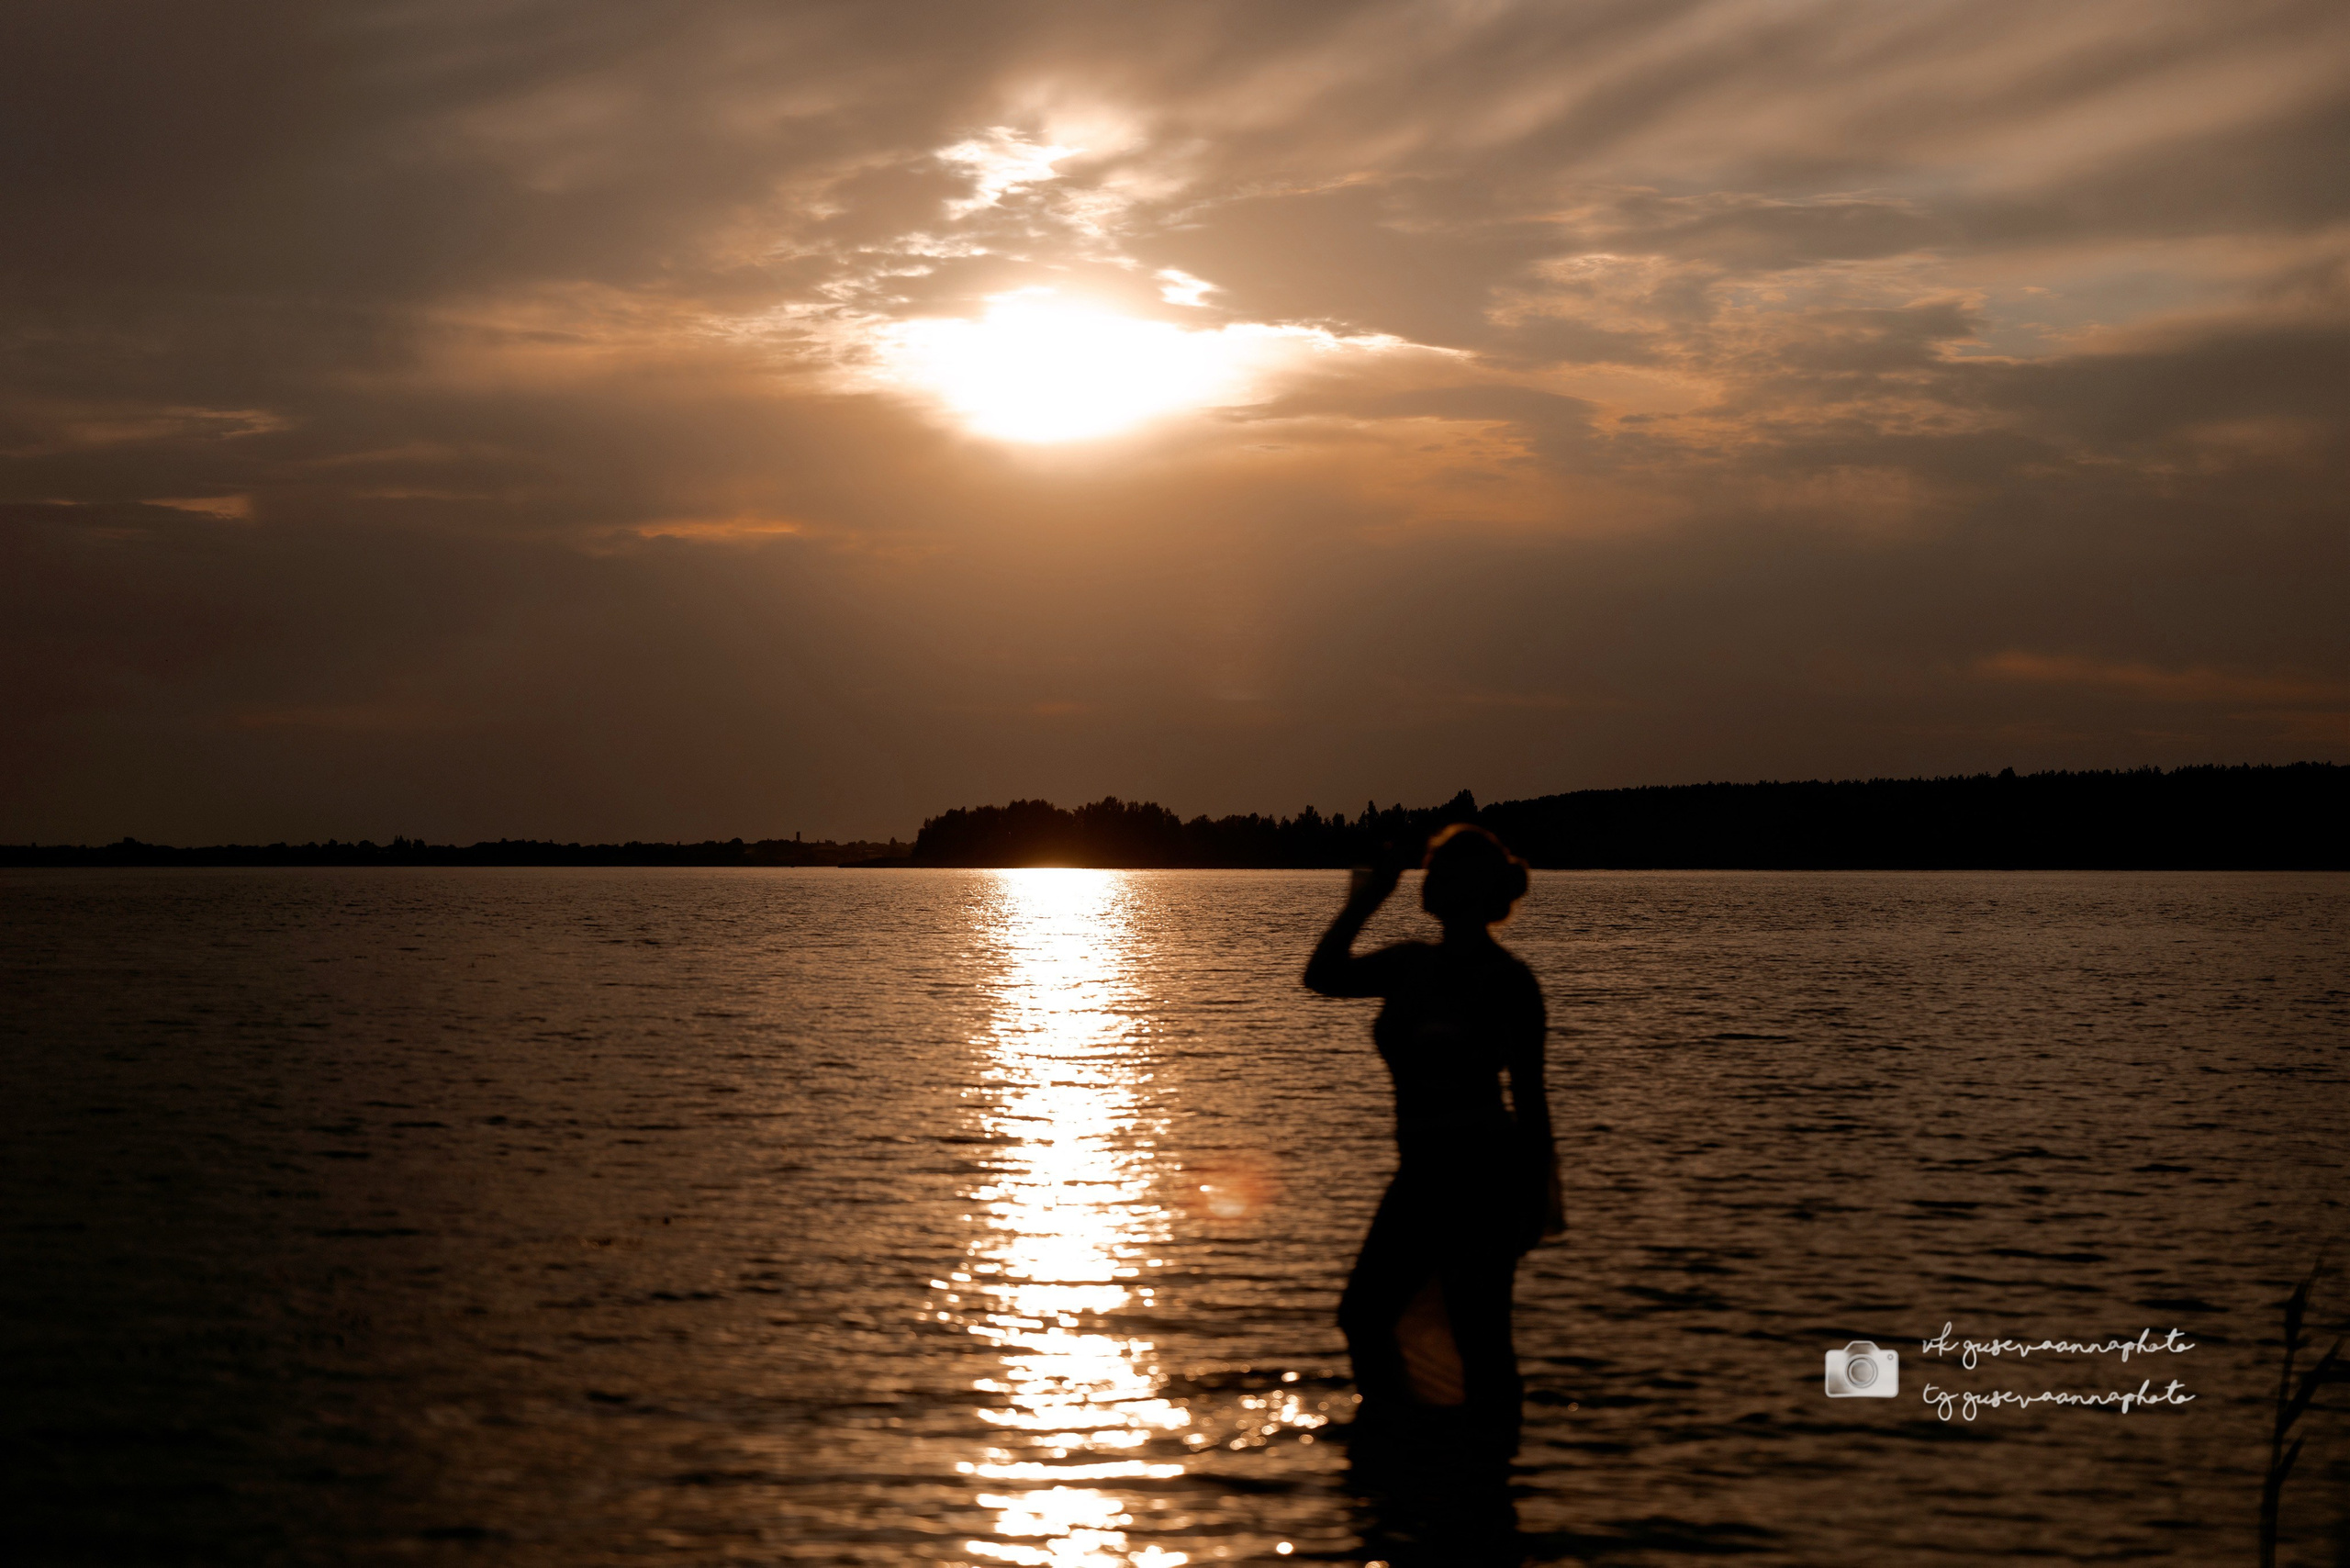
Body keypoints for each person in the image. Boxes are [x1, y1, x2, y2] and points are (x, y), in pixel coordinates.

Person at [1304, 823, 1563, 1473]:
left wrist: (1539, 1195)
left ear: (1475, 889)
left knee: (1482, 1334)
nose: (1430, 883)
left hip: (1483, 1173)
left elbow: (1531, 1099)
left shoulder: (1510, 982)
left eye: (1443, 874)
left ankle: (1492, 1469)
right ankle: (1403, 1437)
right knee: (1364, 1315)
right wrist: (1367, 898)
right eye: (1430, 873)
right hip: (1419, 1172)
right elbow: (1323, 975)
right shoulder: (1409, 964)